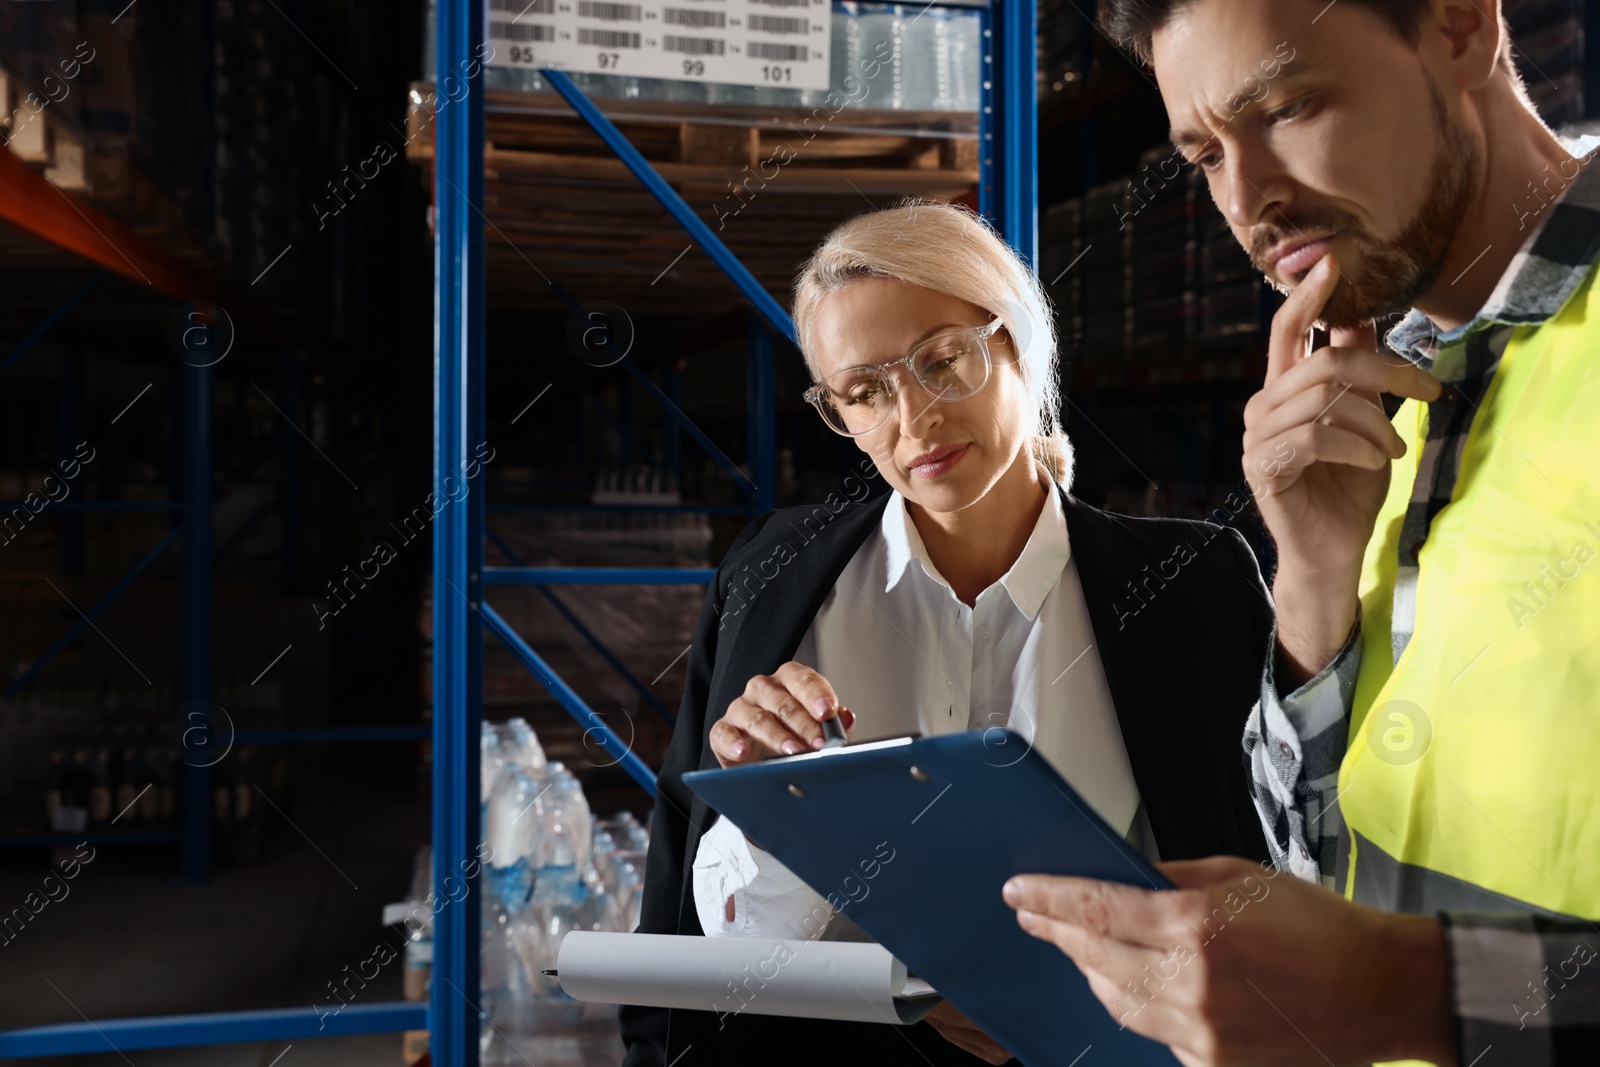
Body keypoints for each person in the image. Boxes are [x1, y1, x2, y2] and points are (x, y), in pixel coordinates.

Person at [1002, 1, 1600, 1065]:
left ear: (1460, 28)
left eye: (1283, 108)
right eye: (1203, 155)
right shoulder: (1375, 393)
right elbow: (1327, 876)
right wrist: (1313, 585)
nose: (1246, 201)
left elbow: (1382, 977)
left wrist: (1413, 991)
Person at [621, 199, 1281, 1067]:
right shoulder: (773, 576)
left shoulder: (1194, 585)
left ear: (1019, 346)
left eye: (944, 360)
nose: (914, 418)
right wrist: (763, 808)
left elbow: (1268, 872)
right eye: (864, 392)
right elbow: (694, 916)